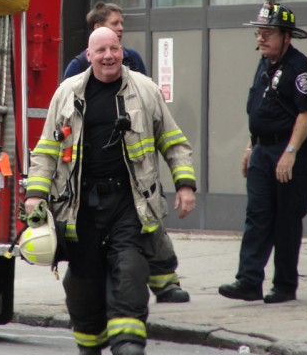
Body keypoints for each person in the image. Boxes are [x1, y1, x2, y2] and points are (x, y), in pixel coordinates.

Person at [25, 27, 197, 355]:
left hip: (129, 204)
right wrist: (36, 195)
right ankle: (90, 344)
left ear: (122, 51)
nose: (109, 56)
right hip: (80, 209)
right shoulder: (67, 93)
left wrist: (185, 185)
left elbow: (174, 141)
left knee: (131, 270)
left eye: (114, 49)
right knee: (83, 284)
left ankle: (128, 344)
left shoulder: (145, 90)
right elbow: (46, 151)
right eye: (101, 50)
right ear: (88, 56)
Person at [63, 1, 188, 304]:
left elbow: (150, 109)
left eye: (120, 28)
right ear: (96, 33)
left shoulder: (132, 60)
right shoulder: (75, 74)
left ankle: (164, 281)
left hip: (134, 174)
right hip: (91, 184)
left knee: (150, 227)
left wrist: (185, 182)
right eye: (115, 23)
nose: (121, 29)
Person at [218, 0, 307, 305]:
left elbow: (306, 114)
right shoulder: (264, 64)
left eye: (268, 32)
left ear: (286, 36)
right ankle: (249, 281)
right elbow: (259, 109)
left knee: (286, 220)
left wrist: (289, 152)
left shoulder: (300, 69)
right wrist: (251, 146)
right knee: (257, 215)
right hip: (262, 149)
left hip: (290, 152)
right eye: (259, 32)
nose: (261, 38)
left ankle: (285, 285)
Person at [63, 1, 146, 78]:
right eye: (115, 23)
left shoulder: (133, 58)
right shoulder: (78, 65)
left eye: (122, 23)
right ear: (97, 27)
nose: (121, 28)